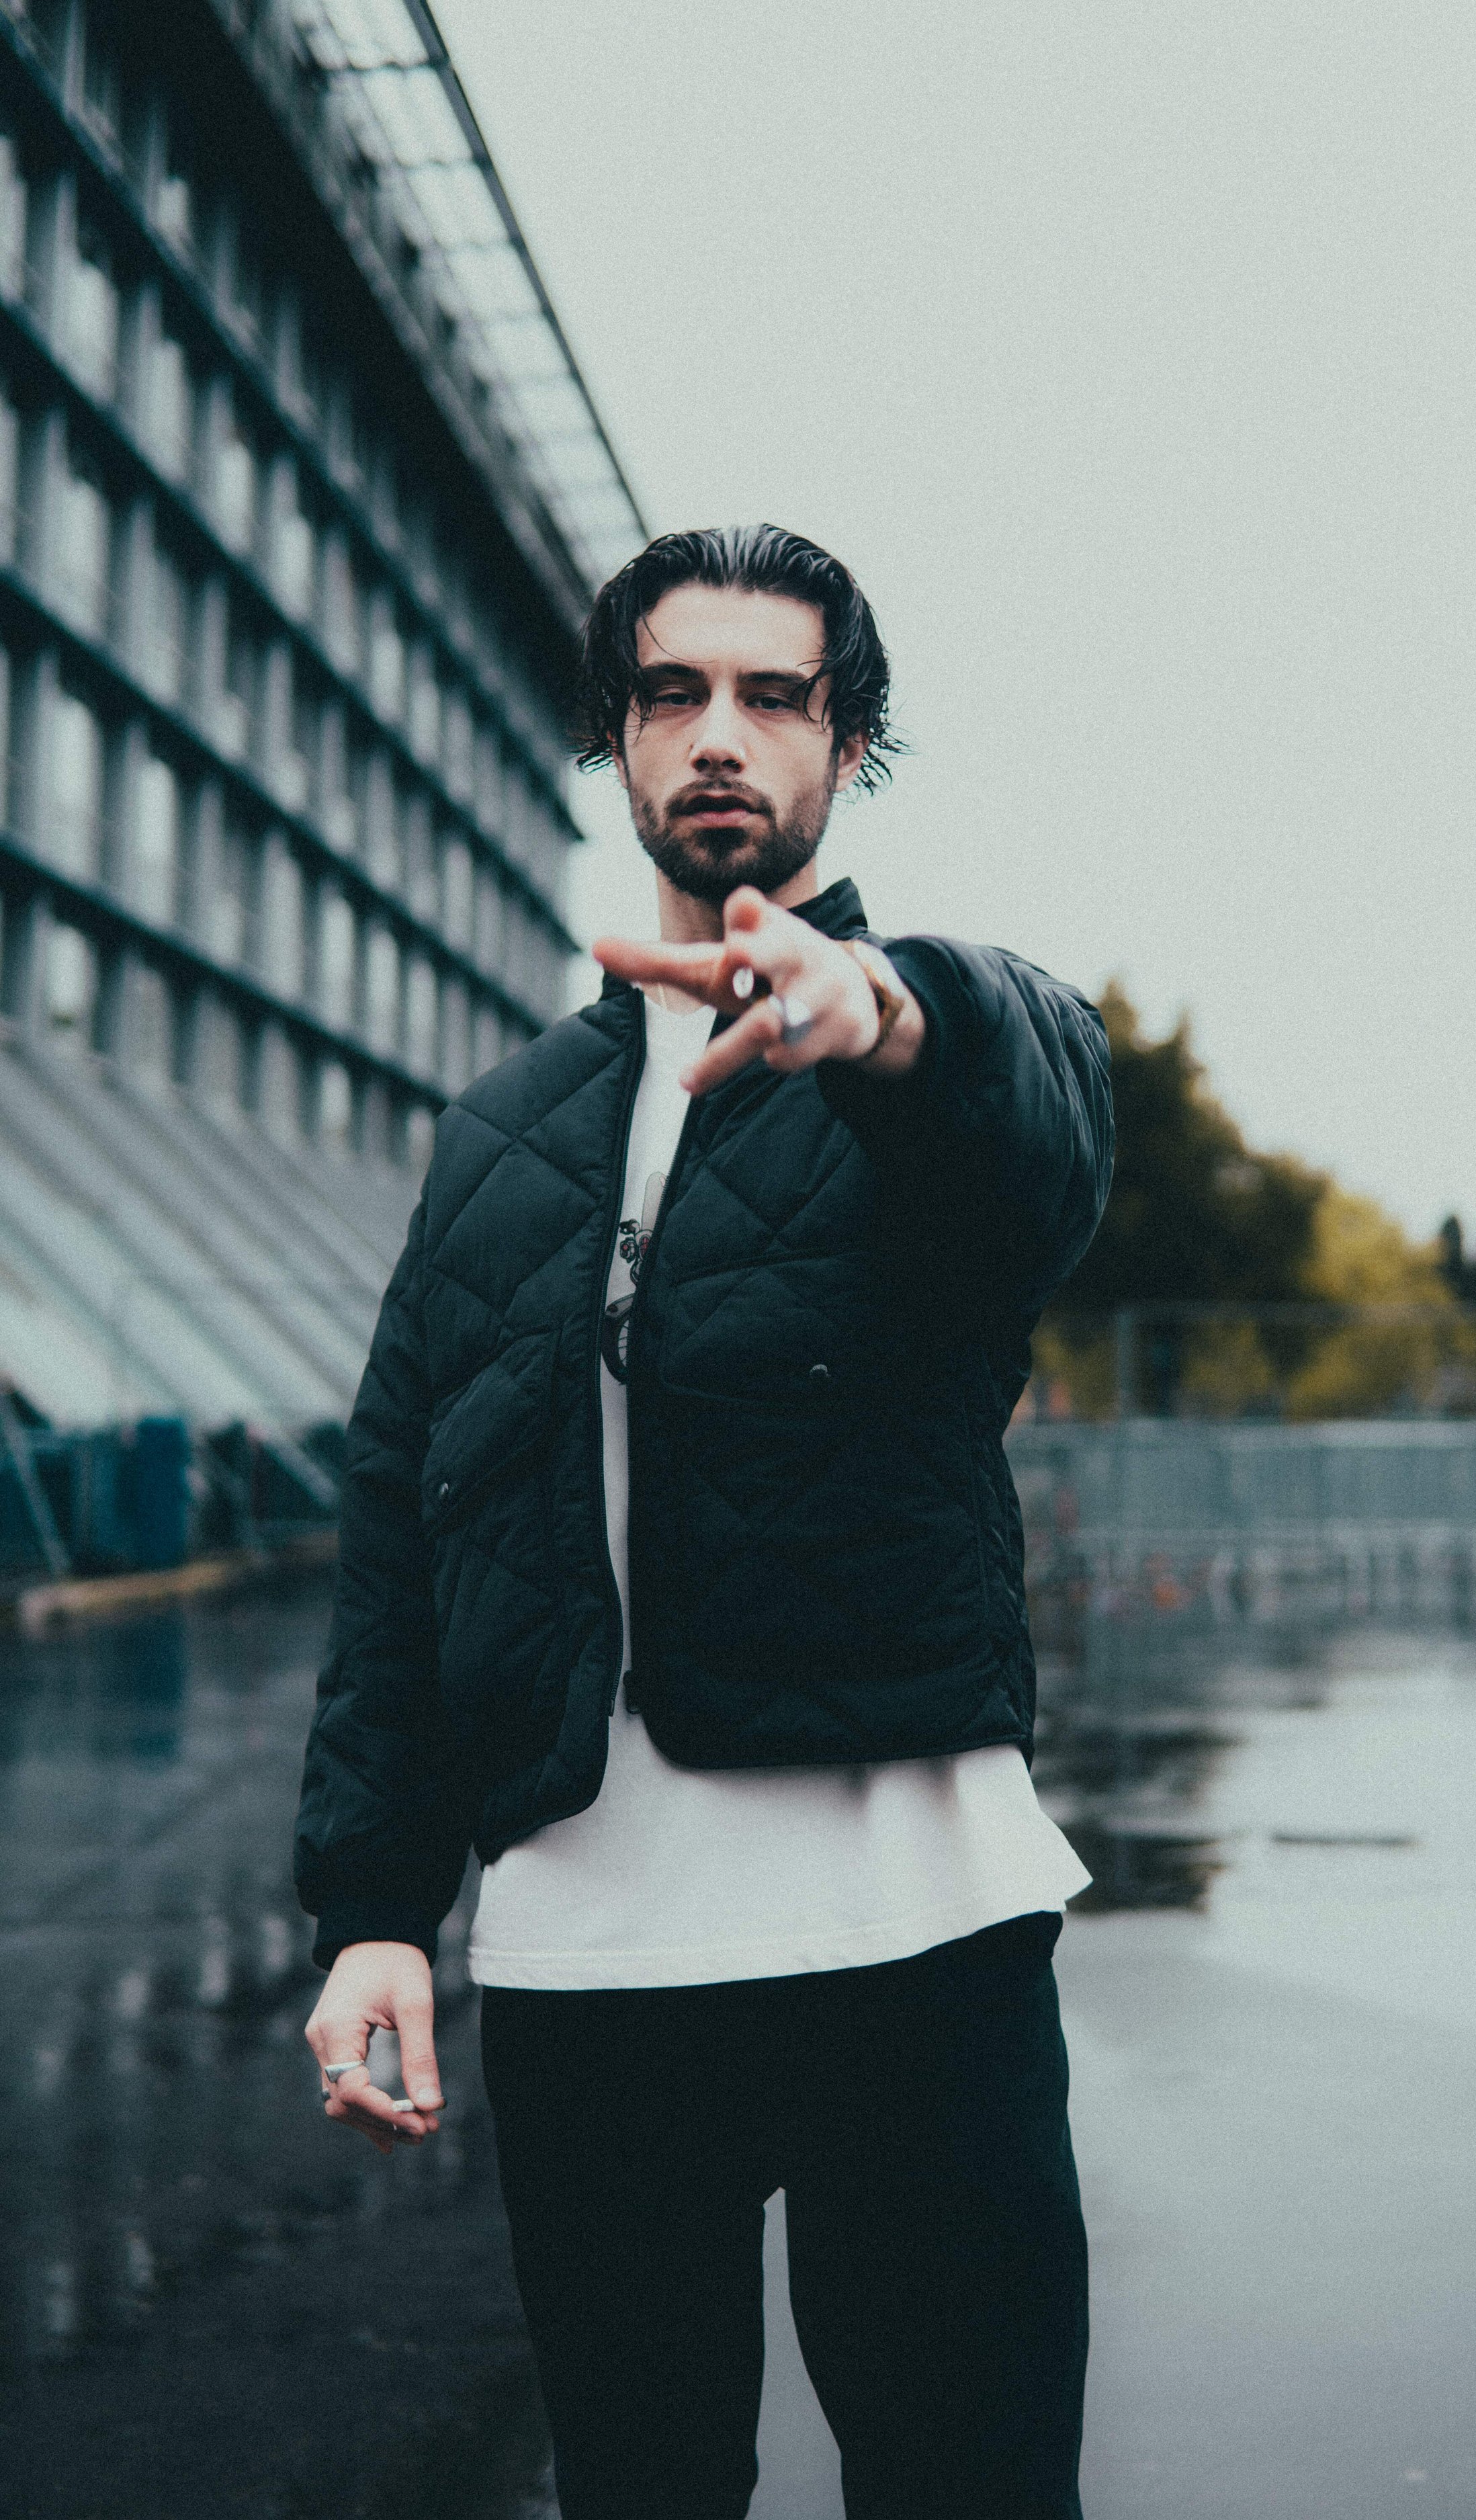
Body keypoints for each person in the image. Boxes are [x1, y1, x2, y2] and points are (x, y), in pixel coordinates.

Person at [295, 524, 1115, 2520]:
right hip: (594, 1965)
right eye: (674, 693)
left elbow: (1035, 1126)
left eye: (776, 695)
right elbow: (413, 1529)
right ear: (619, 739)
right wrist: (376, 1911)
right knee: (641, 2490)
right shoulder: (499, 1137)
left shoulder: (924, 1050)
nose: (721, 736)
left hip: (910, 1945)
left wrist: (885, 1017)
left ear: (851, 749)